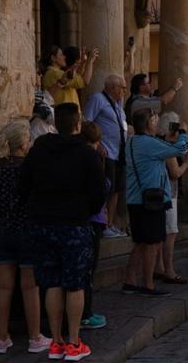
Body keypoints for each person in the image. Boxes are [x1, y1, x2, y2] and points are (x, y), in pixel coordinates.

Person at [20, 103, 107, 361]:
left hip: (43, 224)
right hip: (74, 225)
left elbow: (23, 185)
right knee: (75, 284)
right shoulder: (85, 153)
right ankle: (73, 341)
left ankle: (56, 341)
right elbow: (99, 192)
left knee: (53, 282)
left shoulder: (39, 150)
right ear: (77, 123)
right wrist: (83, 210)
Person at [0, 122, 51, 354]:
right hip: (27, 230)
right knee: (30, 286)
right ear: (23, 143)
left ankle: (1, 338)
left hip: (1, 230)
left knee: (3, 287)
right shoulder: (30, 168)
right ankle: (35, 338)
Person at [122, 108, 188, 298]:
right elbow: (181, 149)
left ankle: (130, 281)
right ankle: (148, 284)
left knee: (141, 243)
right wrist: (183, 132)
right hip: (150, 201)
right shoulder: (148, 143)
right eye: (155, 119)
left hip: (136, 199)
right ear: (149, 123)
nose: (157, 121)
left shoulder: (133, 141)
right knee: (152, 243)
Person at [155, 112, 188, 284]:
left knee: (163, 234)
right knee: (170, 233)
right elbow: (175, 173)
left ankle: (159, 267)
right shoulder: (167, 147)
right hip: (167, 194)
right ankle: (168, 270)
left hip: (159, 193)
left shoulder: (158, 142)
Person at [83, 74, 129, 239]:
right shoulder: (98, 99)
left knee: (116, 189)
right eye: (121, 87)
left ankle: (109, 224)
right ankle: (102, 224)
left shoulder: (118, 104)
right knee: (106, 189)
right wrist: (97, 143)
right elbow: (86, 121)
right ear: (111, 87)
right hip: (107, 152)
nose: (124, 90)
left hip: (119, 153)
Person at [78, 122, 109, 331]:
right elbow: (101, 189)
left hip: (80, 218)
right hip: (91, 219)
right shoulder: (93, 159)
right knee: (87, 270)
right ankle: (85, 314)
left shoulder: (76, 157)